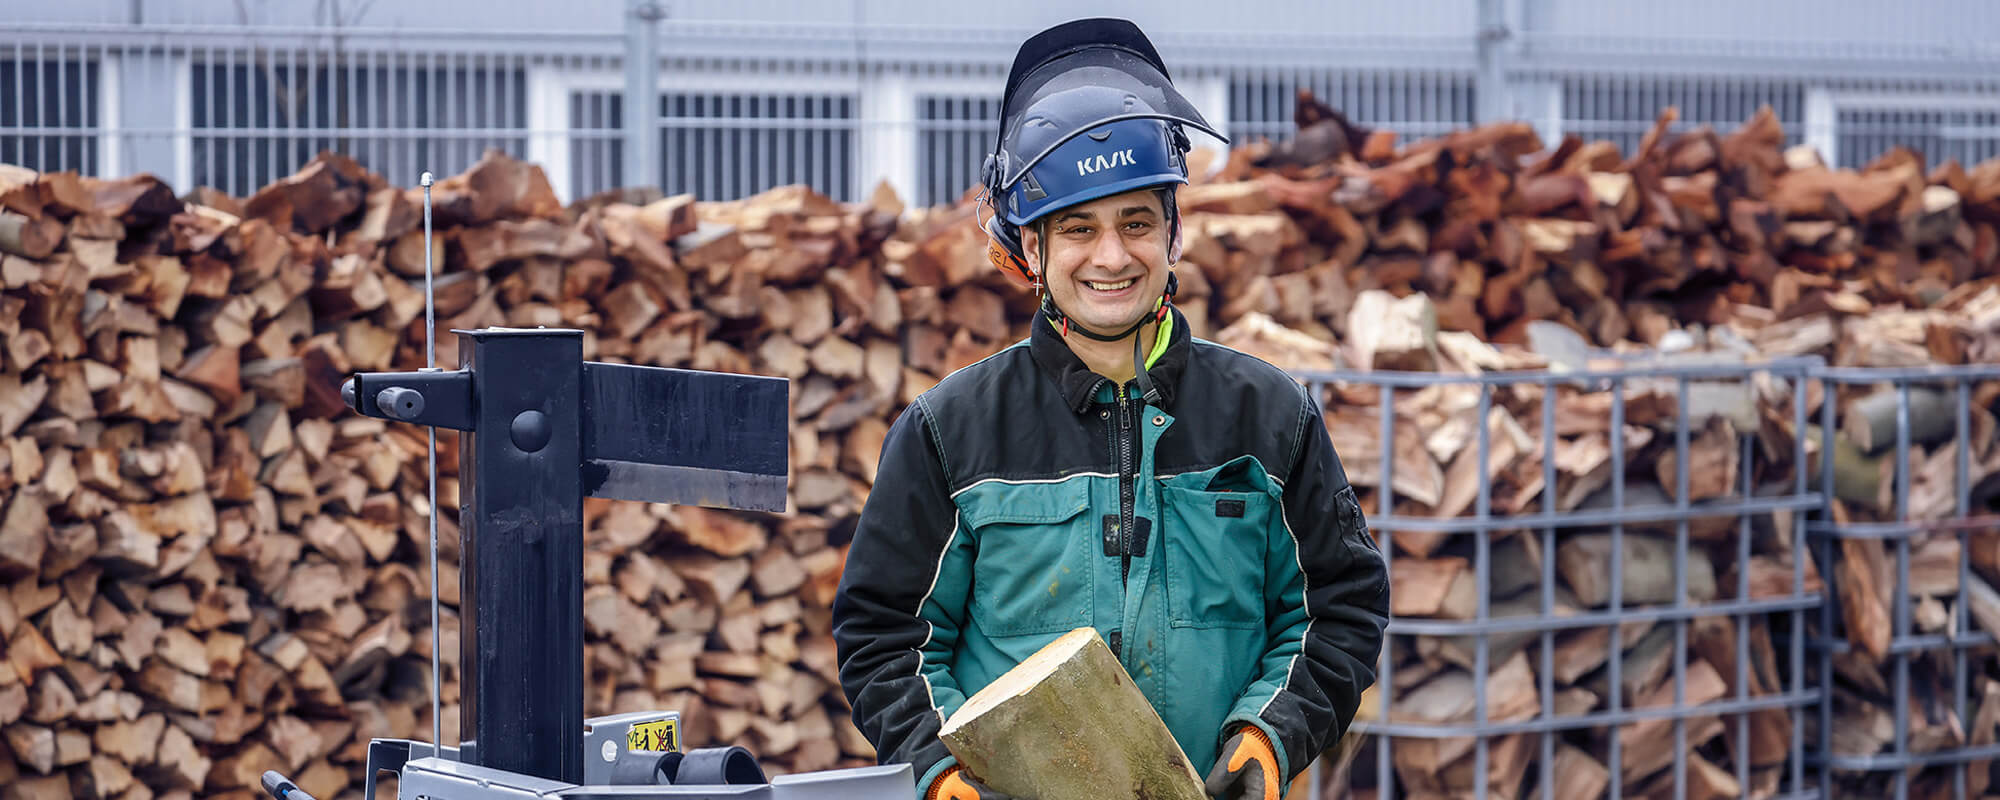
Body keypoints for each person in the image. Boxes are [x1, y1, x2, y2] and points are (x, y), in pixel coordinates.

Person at [832, 17, 1388, 800]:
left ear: (1174, 232)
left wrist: (1269, 739)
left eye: (1136, 223)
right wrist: (944, 770)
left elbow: (1339, 610)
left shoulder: (1270, 418)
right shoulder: (950, 433)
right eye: (1078, 230)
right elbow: (885, 635)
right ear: (1030, 249)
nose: (1111, 256)